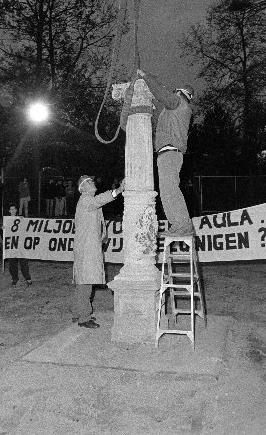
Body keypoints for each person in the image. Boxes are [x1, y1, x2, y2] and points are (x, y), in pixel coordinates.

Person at [135, 68, 195, 237]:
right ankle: (179, 224)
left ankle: (182, 225)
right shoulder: (176, 109)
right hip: (169, 153)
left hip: (169, 153)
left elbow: (161, 92)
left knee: (170, 191)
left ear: (180, 93)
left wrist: (145, 77)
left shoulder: (178, 103)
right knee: (168, 191)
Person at [72, 175, 125, 328]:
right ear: (82, 188)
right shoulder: (86, 199)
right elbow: (99, 200)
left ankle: (78, 312)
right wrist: (118, 190)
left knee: (84, 281)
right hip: (86, 248)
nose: (92, 182)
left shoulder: (88, 200)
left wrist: (102, 235)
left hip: (88, 246)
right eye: (88, 182)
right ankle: (83, 317)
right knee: (85, 282)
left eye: (92, 180)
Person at [7, 204, 32, 286]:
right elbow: (4, 235)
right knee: (12, 264)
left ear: (16, 210)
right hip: (12, 245)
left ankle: (27, 278)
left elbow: (27, 229)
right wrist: (2, 228)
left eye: (14, 209)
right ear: (9, 211)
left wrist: (23, 221)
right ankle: (14, 279)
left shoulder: (21, 219)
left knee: (23, 262)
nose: (13, 211)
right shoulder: (6, 220)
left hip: (20, 245)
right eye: (11, 209)